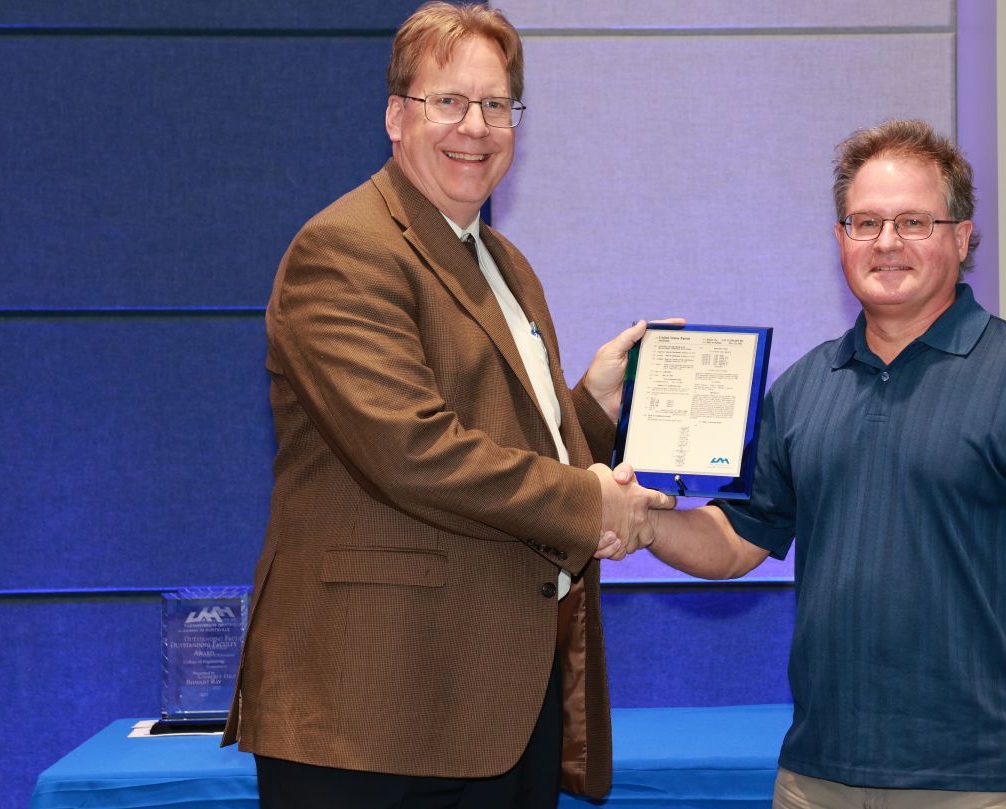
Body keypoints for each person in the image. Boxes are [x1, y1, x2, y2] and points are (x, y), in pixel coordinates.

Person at [222, 4, 671, 807]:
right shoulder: (347, 248)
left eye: (497, 105)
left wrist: (592, 411)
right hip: (373, 711)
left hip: (491, 700)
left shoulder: (503, 260)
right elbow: (412, 449)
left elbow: (495, 430)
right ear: (397, 116)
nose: (476, 126)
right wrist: (589, 499)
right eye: (449, 102)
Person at [619, 119, 1006, 809]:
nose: (886, 243)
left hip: (984, 779)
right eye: (865, 222)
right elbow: (738, 539)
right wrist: (642, 523)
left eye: (914, 220)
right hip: (817, 775)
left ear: (963, 236)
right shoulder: (801, 387)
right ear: (840, 239)